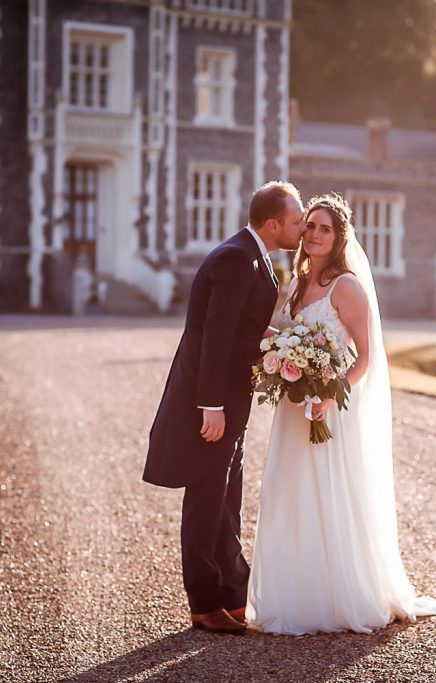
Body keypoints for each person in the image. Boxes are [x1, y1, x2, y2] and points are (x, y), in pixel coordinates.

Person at [247, 193, 436, 635]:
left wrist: (327, 394)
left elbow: (365, 359)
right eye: (311, 226)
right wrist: (278, 353)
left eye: (325, 229)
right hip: (295, 406)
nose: (316, 234)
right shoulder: (296, 284)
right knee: (292, 491)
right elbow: (286, 335)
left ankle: (342, 596)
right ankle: (296, 594)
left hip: (332, 408)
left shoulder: (347, 287)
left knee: (332, 494)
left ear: (339, 238)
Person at [142, 181, 304, 634]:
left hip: (234, 398)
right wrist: (210, 405)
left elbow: (240, 331)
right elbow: (213, 339)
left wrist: (287, 342)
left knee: (227, 498)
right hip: (212, 401)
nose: (300, 228)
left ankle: (232, 593)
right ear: (272, 224)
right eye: (295, 222)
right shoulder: (236, 259)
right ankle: (205, 602)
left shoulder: (257, 257)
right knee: (207, 498)